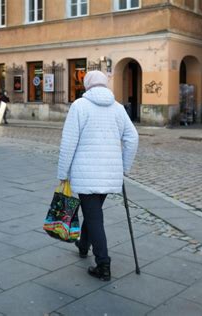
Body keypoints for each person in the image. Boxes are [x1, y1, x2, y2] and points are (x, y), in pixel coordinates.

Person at [57, 70, 139, 281]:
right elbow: (132, 138)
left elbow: (68, 142)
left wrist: (62, 173)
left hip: (85, 173)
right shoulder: (118, 108)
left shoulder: (79, 106)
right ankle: (84, 245)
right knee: (93, 212)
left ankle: (103, 264)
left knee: (94, 216)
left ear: (87, 85)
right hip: (110, 174)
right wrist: (124, 167)